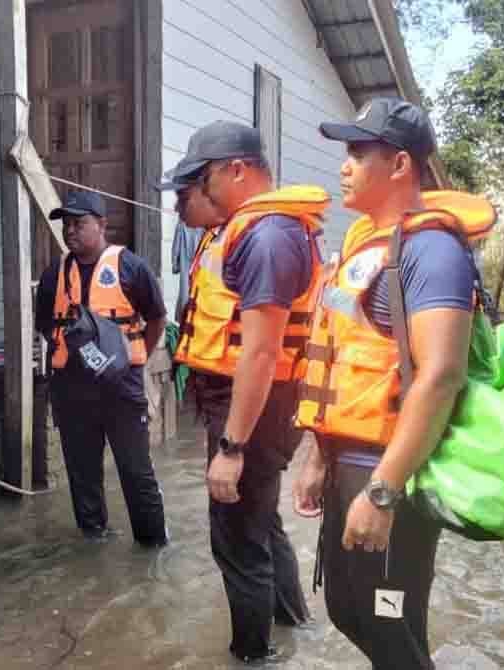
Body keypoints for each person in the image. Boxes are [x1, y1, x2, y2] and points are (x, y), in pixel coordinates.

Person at [291, 98, 496, 669]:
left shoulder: (432, 251)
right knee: (348, 610)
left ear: (400, 165)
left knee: (388, 625)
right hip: (347, 461)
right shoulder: (363, 247)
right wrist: (317, 455)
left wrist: (383, 492)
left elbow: (441, 376)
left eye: (358, 153)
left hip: (391, 470)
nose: (344, 166)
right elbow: (336, 360)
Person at [158, 121, 328, 663]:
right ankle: (294, 624)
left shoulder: (268, 236)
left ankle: (251, 657)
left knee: (235, 540)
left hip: (251, 403)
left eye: (201, 180)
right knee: (260, 522)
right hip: (249, 400)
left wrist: (231, 449)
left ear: (237, 169)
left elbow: (260, 352)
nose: (197, 193)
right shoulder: (245, 230)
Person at [34, 190, 169, 546]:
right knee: (82, 474)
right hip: (72, 391)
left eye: (80, 223)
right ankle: (93, 540)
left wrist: (130, 357)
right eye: (67, 225)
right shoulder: (53, 275)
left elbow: (156, 318)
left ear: (102, 225)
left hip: (121, 389)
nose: (71, 231)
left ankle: (153, 544)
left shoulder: (131, 267)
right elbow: (46, 325)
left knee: (136, 471)